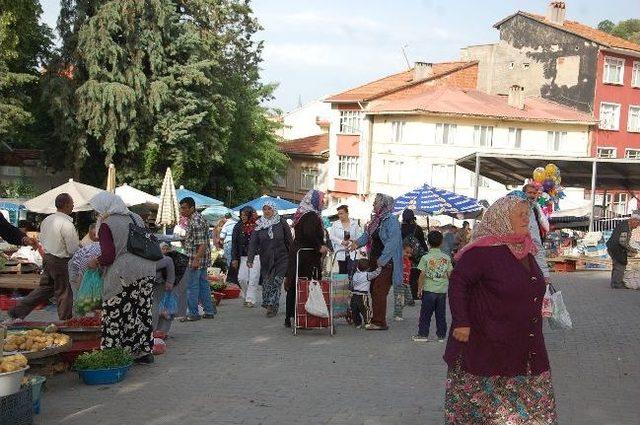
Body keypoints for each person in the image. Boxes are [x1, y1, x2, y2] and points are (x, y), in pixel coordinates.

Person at [443, 196, 557, 424]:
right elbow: (457, 284)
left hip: (526, 344)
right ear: (502, 218)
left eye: (527, 214)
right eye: (520, 215)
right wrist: (462, 321)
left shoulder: (525, 249)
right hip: (487, 345)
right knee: (484, 412)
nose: (526, 219)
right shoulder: (481, 252)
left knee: (536, 412)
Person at [87, 192, 156, 364]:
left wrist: (96, 262)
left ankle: (113, 355)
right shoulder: (135, 217)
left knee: (114, 313)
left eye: (98, 210)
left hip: (123, 273)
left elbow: (109, 256)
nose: (98, 214)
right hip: (146, 269)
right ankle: (143, 352)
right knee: (141, 312)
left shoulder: (106, 224)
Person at [10, 193, 78, 321]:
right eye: (72, 203)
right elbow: (72, 249)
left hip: (47, 259)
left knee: (45, 288)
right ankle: (65, 321)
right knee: (64, 292)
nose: (73, 205)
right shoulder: (67, 224)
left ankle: (17, 311)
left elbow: (43, 240)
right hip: (61, 261)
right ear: (66, 205)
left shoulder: (47, 220)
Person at [349, 193, 403, 330]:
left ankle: (379, 322)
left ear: (383, 205)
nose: (373, 205)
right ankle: (375, 319)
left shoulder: (391, 220)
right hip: (374, 259)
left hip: (386, 261)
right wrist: (356, 243)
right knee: (373, 289)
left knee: (379, 290)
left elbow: (393, 242)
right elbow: (367, 235)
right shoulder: (376, 220)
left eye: (375, 203)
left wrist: (383, 259)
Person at [286, 189, 328, 328]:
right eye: (322, 199)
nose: (323, 202)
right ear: (314, 200)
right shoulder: (311, 215)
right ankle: (303, 316)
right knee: (306, 285)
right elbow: (309, 233)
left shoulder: (303, 213)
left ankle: (290, 316)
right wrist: (319, 246)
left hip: (299, 254)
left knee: (294, 283)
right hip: (306, 257)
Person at [247, 201, 292, 318]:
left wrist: (293, 255)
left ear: (274, 210)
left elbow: (289, 240)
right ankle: (268, 302)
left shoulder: (281, 222)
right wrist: (250, 259)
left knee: (277, 282)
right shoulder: (259, 224)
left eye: (269, 209)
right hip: (266, 259)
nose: (267, 211)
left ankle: (272, 306)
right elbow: (253, 243)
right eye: (265, 209)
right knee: (267, 284)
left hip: (282, 257)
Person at [179, 197, 216, 322]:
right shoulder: (196, 219)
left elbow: (202, 244)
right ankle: (209, 311)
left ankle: (193, 313)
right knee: (203, 285)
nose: (181, 210)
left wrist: (196, 259)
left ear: (192, 208)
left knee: (192, 287)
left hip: (196, 259)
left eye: (184, 208)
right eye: (181, 207)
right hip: (201, 259)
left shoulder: (195, 221)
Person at [412, 230, 452, 342]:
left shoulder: (425, 258)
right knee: (441, 315)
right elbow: (450, 274)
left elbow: (422, 275)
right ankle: (441, 336)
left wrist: (419, 289)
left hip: (429, 290)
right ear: (441, 243)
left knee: (425, 314)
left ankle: (423, 335)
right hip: (442, 291)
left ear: (428, 243)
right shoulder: (447, 258)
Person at [522, 184, 551, 282]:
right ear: (524, 193)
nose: (532, 195)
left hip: (532, 245)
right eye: (529, 192)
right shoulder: (516, 208)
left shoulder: (536, 208)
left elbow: (538, 247)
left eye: (534, 193)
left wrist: (545, 275)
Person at [231, 206, 260, 307]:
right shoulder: (238, 226)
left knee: (253, 278)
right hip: (243, 256)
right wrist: (234, 258)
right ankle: (247, 294)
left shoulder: (258, 225)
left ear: (250, 215)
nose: (243, 217)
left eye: (245, 215)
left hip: (256, 255)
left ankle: (250, 300)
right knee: (241, 278)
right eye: (241, 215)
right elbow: (234, 243)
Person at [607, 211, 640, 289]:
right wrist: (632, 250)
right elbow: (622, 242)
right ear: (633, 220)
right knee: (621, 265)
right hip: (616, 248)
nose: (637, 226)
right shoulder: (625, 227)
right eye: (637, 223)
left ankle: (614, 283)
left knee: (616, 265)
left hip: (613, 247)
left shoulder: (626, 225)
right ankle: (617, 284)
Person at [401, 209, 427, 303]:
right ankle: (415, 294)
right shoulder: (418, 228)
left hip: (403, 255)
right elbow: (422, 243)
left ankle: (405, 296)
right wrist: (426, 252)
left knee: (405, 275)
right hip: (416, 255)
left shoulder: (400, 228)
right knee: (415, 274)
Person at [329, 205, 362, 275]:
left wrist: (352, 242)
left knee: (352, 270)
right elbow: (331, 236)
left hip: (352, 250)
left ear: (347, 213)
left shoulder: (354, 224)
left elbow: (359, 237)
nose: (340, 215)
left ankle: (351, 285)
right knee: (342, 271)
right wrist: (341, 242)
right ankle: (343, 285)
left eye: (341, 213)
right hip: (340, 250)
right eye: (339, 214)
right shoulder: (335, 224)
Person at [68, 223, 101, 292]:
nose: (96, 237)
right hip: (77, 270)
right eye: (94, 235)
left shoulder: (95, 244)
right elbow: (83, 266)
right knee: (80, 293)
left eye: (97, 234)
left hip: (79, 268)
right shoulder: (89, 245)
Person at [350, 259, 381, 328]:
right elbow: (376, 273)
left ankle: (358, 323)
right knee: (365, 309)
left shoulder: (355, 274)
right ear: (368, 268)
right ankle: (368, 322)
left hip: (354, 295)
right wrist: (380, 267)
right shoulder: (367, 275)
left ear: (357, 267)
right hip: (363, 295)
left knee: (354, 310)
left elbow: (352, 284)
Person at [154, 243, 176, 336]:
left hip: (164, 287)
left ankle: (162, 332)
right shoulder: (166, 259)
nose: (165, 251)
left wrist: (170, 282)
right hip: (158, 285)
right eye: (163, 249)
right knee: (160, 308)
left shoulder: (168, 259)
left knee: (165, 308)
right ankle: (159, 331)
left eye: (167, 249)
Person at [393, 243, 414, 321]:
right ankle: (397, 315)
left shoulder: (408, 261)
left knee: (409, 299)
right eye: (406, 252)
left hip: (406, 283)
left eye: (410, 253)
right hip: (399, 283)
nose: (408, 254)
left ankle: (397, 311)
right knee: (399, 300)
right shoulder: (399, 260)